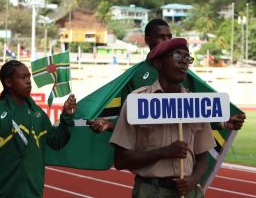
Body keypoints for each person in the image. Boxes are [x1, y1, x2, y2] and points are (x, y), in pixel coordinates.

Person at [88, 18, 246, 132]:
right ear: (147, 40)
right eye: (161, 37)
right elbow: (126, 117)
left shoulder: (182, 73)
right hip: (149, 157)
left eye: (169, 37)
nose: (166, 41)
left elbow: (193, 113)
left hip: (182, 159)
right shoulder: (135, 76)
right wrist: (108, 124)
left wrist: (223, 123)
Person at [110, 38, 216, 198]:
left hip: (188, 191)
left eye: (187, 58)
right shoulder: (137, 102)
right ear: (159, 63)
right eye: (177, 56)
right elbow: (120, 160)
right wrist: (164, 152)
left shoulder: (196, 104)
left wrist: (193, 180)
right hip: (150, 191)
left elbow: (203, 156)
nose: (184, 62)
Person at [0, 60, 76, 198]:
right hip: (1, 192)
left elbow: (56, 141)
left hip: (33, 192)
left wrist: (67, 117)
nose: (29, 81)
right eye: (23, 77)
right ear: (8, 82)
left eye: (29, 77)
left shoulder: (38, 114)